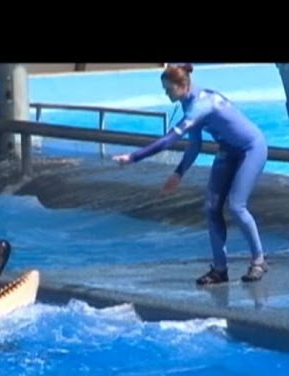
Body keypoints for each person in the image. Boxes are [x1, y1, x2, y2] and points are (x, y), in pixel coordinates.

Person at [113, 63, 269, 285]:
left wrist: (133, 157)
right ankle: (220, 269)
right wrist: (178, 173)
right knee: (211, 207)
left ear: (182, 85)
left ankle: (259, 260)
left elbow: (169, 140)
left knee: (236, 206)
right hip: (228, 149)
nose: (166, 94)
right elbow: (195, 145)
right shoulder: (189, 102)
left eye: (169, 90)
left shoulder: (201, 105)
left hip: (251, 149)